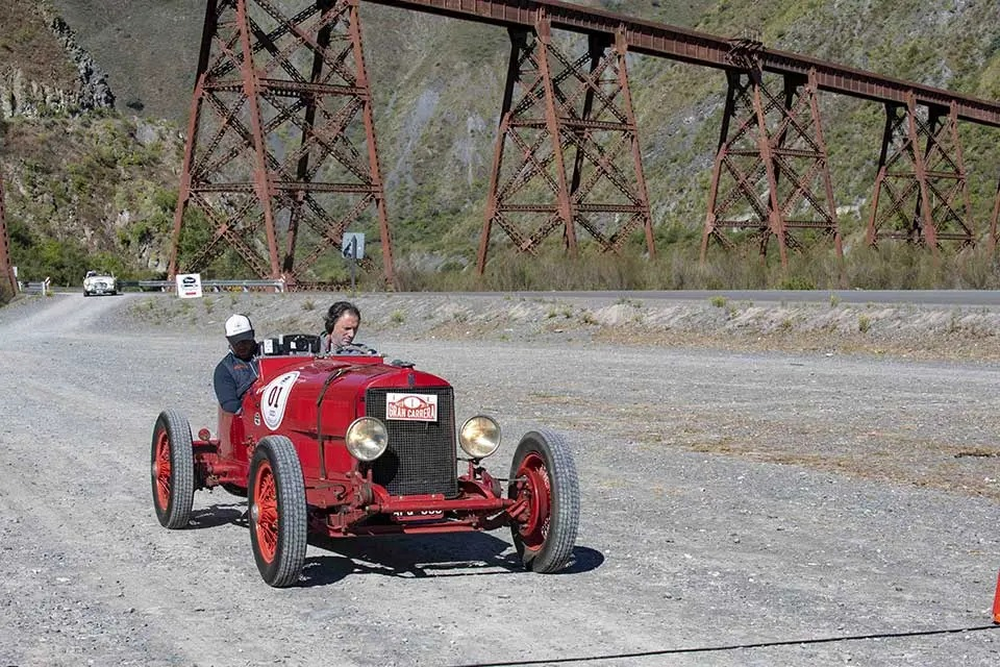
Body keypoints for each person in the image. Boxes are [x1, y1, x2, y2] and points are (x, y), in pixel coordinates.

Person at [214, 314, 260, 414]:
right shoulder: (224, 369)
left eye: (245, 340)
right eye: (236, 341)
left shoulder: (270, 354)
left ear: (252, 335)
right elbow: (229, 403)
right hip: (249, 418)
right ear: (229, 340)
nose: (241, 346)